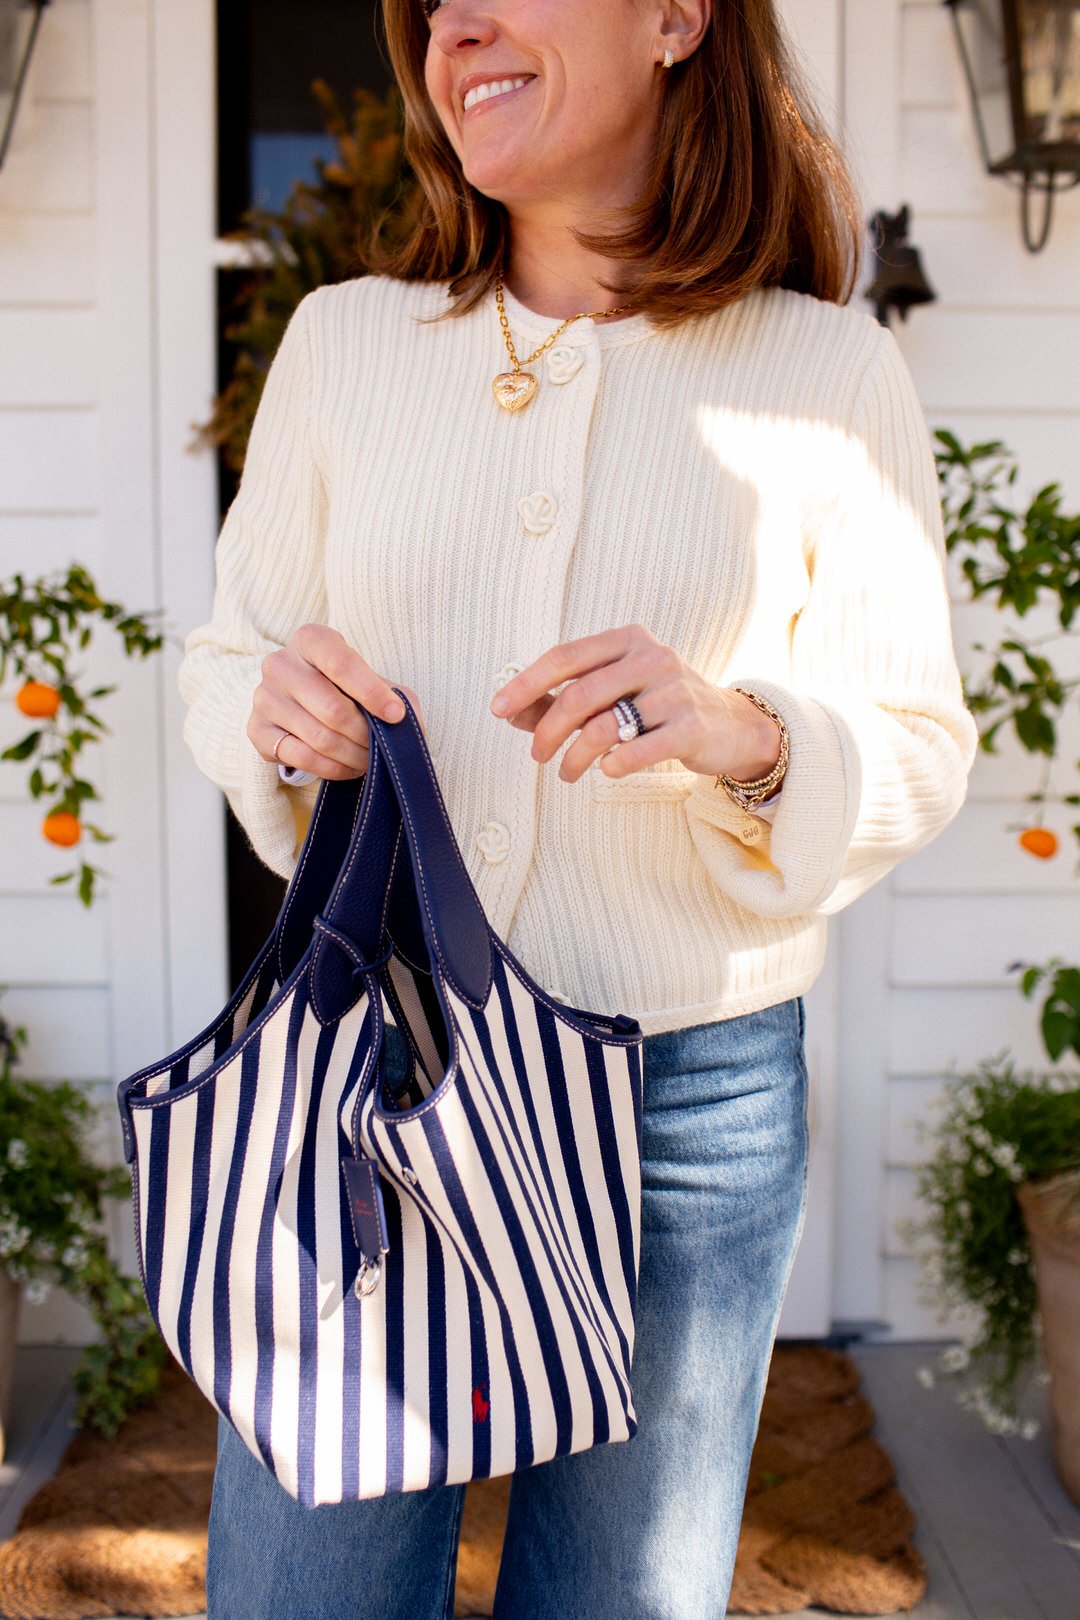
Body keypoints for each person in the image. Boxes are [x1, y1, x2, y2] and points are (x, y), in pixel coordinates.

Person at [178, 1, 978, 1615]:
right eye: (430, 5)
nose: (452, 23)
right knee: (302, 1588)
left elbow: (919, 742)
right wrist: (270, 711)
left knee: (623, 1595)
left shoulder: (830, 373)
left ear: (680, 17)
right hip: (367, 1064)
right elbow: (223, 660)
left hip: (683, 1107)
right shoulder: (344, 345)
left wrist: (747, 732)